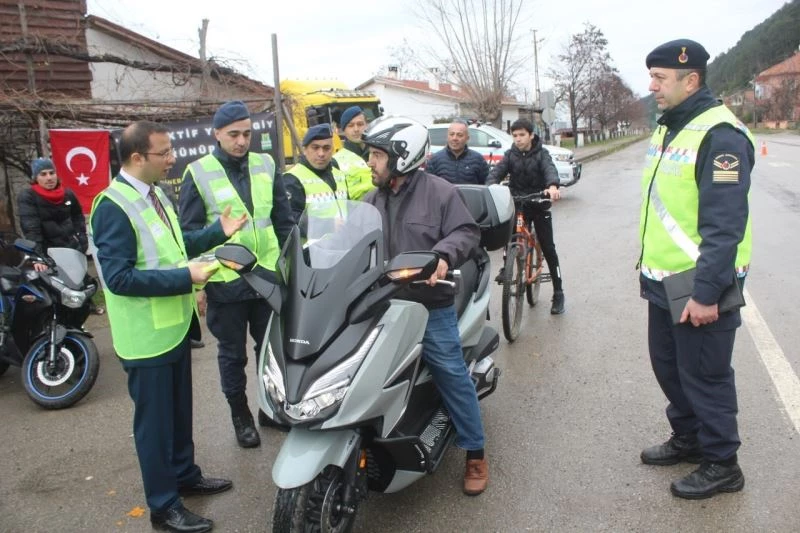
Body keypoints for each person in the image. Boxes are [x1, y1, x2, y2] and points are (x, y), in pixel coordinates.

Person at [90, 120, 246, 532]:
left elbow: (176, 246)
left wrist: (216, 233)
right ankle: (163, 506)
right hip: (146, 339)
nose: (172, 159)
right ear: (137, 157)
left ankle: (184, 475)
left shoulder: (156, 194)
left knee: (178, 414)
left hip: (174, 328)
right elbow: (118, 278)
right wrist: (185, 278)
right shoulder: (112, 206)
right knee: (155, 427)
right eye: (164, 153)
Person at [638, 39, 754, 500]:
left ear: (691, 80)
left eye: (659, 78)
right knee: (669, 368)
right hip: (664, 280)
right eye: (651, 77)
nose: (652, 86)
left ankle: (723, 463)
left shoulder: (720, 136)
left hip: (699, 282)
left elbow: (725, 226)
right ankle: (689, 438)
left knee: (705, 375)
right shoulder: (670, 127)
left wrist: (707, 294)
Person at [361, 116, 489, 496]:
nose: (370, 162)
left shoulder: (440, 193)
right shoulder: (370, 200)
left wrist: (443, 256)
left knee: (450, 371)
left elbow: (466, 232)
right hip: (381, 304)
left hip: (427, 305)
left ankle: (475, 452)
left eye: (376, 155)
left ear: (401, 157)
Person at [179, 100, 295, 448]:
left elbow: (283, 221)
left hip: (267, 277)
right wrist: (199, 285)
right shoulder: (198, 172)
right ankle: (241, 416)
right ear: (216, 134)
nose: (242, 141)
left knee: (271, 352)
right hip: (226, 283)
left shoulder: (266, 164)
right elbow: (189, 235)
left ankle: (270, 408)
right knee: (233, 356)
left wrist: (292, 267)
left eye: (247, 133)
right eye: (233, 134)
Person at [487, 118, 565, 314]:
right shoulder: (510, 155)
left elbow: (549, 170)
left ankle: (558, 293)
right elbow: (496, 173)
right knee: (509, 234)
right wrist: (490, 186)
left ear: (531, 135)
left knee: (548, 247)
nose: (518, 139)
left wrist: (552, 187)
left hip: (538, 202)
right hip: (518, 202)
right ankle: (508, 266)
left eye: (522, 135)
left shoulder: (542, 154)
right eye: (515, 135)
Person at [18, 157, 104, 314]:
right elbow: (31, 228)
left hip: (71, 247)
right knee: (59, 292)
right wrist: (38, 256)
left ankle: (87, 307)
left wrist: (81, 239)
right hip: (49, 251)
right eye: (43, 174)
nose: (49, 177)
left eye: (52, 173)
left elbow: (78, 216)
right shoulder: (28, 197)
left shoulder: (67, 194)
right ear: (35, 177)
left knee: (79, 283)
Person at [283, 124, 348, 221]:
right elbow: (292, 220)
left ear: (332, 150)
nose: (321, 154)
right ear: (305, 150)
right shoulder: (292, 179)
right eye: (315, 148)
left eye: (326, 148)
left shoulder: (339, 175)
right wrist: (327, 224)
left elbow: (349, 209)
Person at [425, 120, 489, 185]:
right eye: (451, 134)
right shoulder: (435, 160)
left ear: (467, 138)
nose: (454, 138)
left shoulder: (478, 160)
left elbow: (485, 185)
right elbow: (428, 186)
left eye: (459, 135)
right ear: (447, 136)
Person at [333, 106, 375, 200]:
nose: (356, 129)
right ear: (344, 130)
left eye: (360, 124)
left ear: (367, 126)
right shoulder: (336, 161)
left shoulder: (379, 153)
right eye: (350, 125)